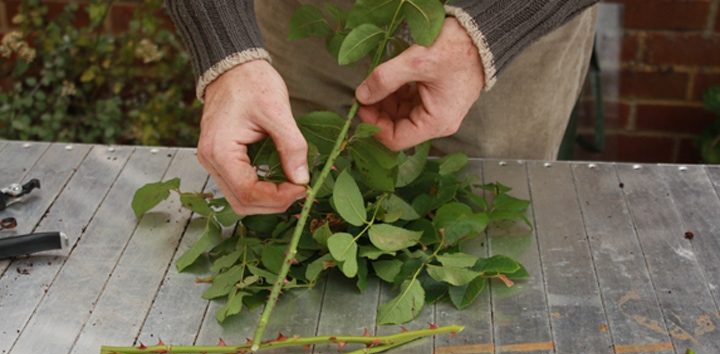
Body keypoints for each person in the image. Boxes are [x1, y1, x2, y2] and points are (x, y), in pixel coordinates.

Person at [165, 0, 599, 215]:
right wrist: (224, 50)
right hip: (315, 18)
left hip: (507, 23)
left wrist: (490, 34)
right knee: (293, 203)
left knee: (481, 223)